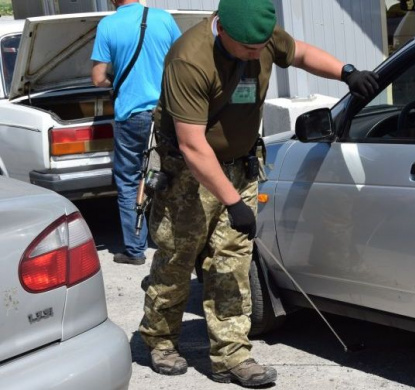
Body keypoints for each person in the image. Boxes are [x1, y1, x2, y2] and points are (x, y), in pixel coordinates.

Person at [138, 0, 379, 387]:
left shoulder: (259, 37)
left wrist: (346, 73)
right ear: (223, 30)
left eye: (261, 47)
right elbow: (191, 144)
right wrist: (232, 202)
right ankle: (161, 340)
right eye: (248, 49)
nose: (257, 55)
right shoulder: (190, 59)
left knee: (231, 260)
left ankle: (230, 356)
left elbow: (299, 52)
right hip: (187, 174)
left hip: (240, 165)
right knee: (177, 259)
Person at [91, 0, 182, 265]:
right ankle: (179, 241)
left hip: (131, 116)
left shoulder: (107, 25)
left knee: (131, 179)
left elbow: (98, 78)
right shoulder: (164, 19)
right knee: (171, 173)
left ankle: (134, 249)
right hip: (168, 113)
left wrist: (117, 81)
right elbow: (182, 59)